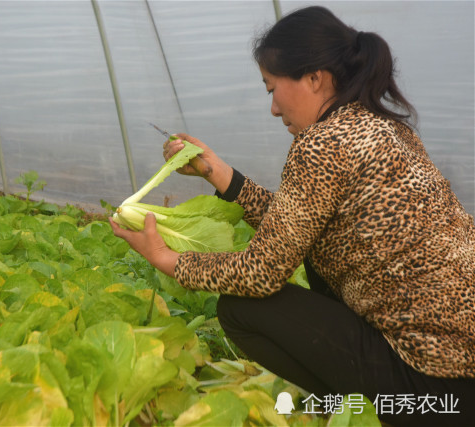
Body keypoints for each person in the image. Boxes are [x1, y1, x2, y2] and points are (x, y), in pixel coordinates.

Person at [110, 6, 475, 426]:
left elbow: (261, 271)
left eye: (271, 89)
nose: (273, 108)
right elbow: (299, 223)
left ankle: (367, 414)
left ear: (315, 78)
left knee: (240, 310)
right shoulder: (383, 128)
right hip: (463, 375)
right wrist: (222, 176)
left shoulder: (322, 143)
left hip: (432, 388)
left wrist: (168, 260)